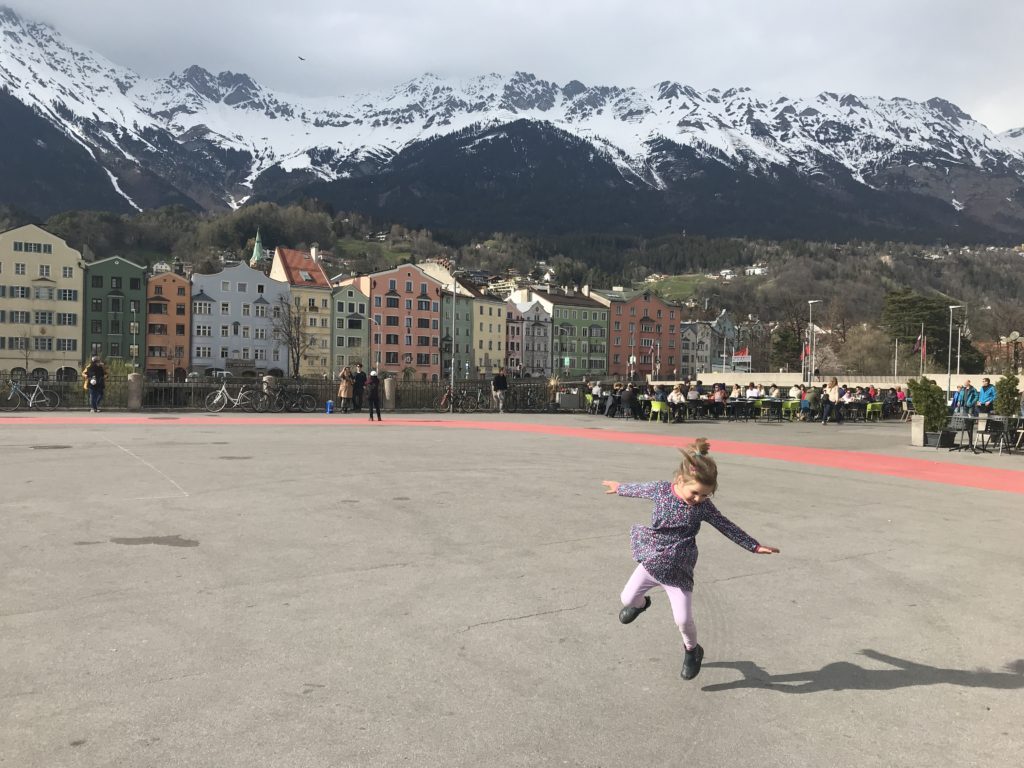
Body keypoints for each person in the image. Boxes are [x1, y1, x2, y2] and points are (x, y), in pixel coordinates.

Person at [602, 438, 779, 680]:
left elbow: (725, 525)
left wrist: (754, 546)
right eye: (695, 493)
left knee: (683, 620)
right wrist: (620, 487)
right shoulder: (661, 490)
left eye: (705, 496)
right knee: (627, 599)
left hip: (679, 568)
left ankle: (692, 651)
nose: (698, 499)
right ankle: (642, 605)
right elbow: (639, 489)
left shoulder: (703, 508)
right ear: (680, 481)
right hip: (653, 559)